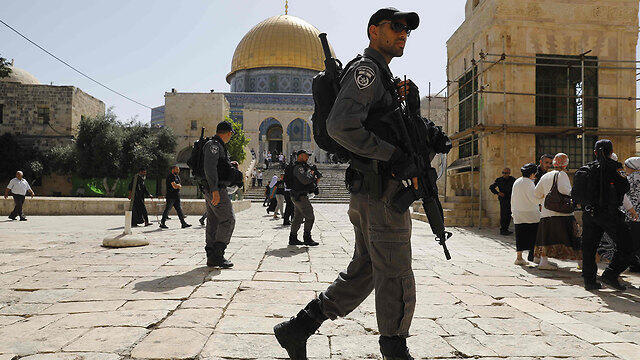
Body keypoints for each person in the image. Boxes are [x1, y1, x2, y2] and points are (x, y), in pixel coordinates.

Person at [274, 8, 421, 359]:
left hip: (373, 191)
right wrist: (392, 155)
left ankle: (299, 327)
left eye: (407, 30)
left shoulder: (381, 75)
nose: (403, 34)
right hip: (380, 191)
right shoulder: (368, 71)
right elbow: (341, 126)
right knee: (395, 271)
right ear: (374, 31)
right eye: (396, 26)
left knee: (367, 268)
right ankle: (394, 349)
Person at [581, 140, 635, 291]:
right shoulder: (615, 167)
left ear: (595, 152)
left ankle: (589, 281)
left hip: (589, 213)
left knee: (589, 248)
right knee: (627, 246)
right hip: (610, 214)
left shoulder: (587, 169)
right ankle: (611, 274)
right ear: (611, 152)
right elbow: (625, 187)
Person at [533, 153, 581, 270]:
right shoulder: (562, 174)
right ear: (565, 164)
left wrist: (544, 199)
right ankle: (581, 262)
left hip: (546, 213)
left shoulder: (546, 176)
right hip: (562, 213)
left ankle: (543, 262)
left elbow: (536, 193)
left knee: (546, 238)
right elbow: (564, 190)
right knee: (573, 237)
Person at [201, 121, 237, 269]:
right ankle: (217, 254)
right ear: (228, 133)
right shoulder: (214, 145)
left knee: (214, 220)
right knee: (228, 219)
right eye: (231, 134)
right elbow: (210, 167)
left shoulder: (216, 144)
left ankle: (212, 256)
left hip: (210, 187)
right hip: (215, 189)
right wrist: (215, 189)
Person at [287, 150, 319, 247]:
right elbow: (304, 180)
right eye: (306, 156)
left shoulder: (302, 167)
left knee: (298, 218)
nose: (307, 158)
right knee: (310, 217)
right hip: (300, 196)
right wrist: (312, 174)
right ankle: (307, 238)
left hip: (298, 196)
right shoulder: (298, 168)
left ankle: (293, 238)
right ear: (300, 156)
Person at [511, 163, 540, 265]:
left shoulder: (517, 181)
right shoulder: (529, 183)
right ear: (532, 173)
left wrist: (513, 211)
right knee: (534, 235)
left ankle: (519, 258)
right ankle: (535, 257)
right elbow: (534, 199)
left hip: (518, 212)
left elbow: (513, 198)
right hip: (530, 213)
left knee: (520, 235)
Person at [489, 168, 516, 235]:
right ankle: (503, 229)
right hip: (503, 199)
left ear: (509, 173)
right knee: (504, 214)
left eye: (506, 173)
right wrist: (498, 193)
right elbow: (491, 187)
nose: (504, 174)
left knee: (509, 214)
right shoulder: (499, 180)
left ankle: (506, 229)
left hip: (510, 198)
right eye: (503, 173)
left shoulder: (512, 180)